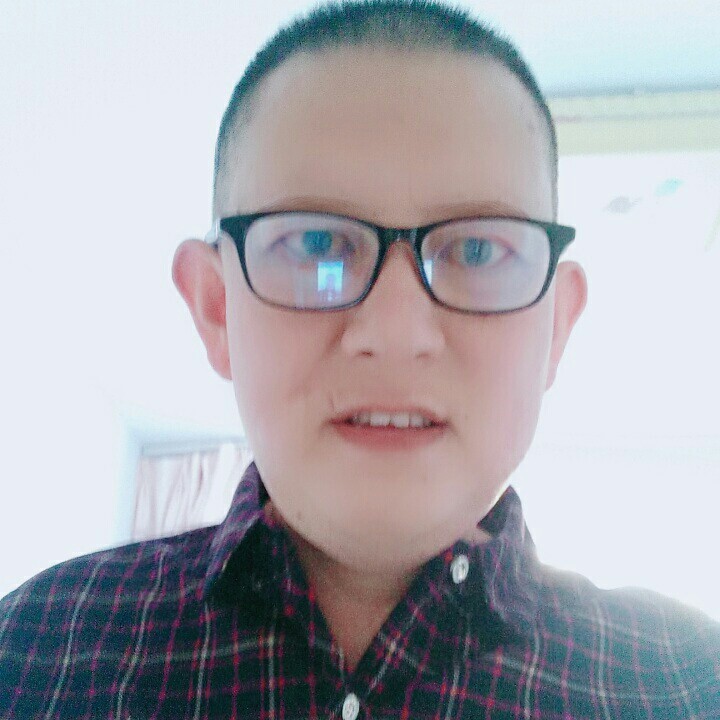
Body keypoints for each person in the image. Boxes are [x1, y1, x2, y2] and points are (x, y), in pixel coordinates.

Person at [1, 1, 718, 717]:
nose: (396, 333)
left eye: (476, 250)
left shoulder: (687, 684)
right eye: (317, 244)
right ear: (217, 309)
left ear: (555, 329)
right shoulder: (31, 652)